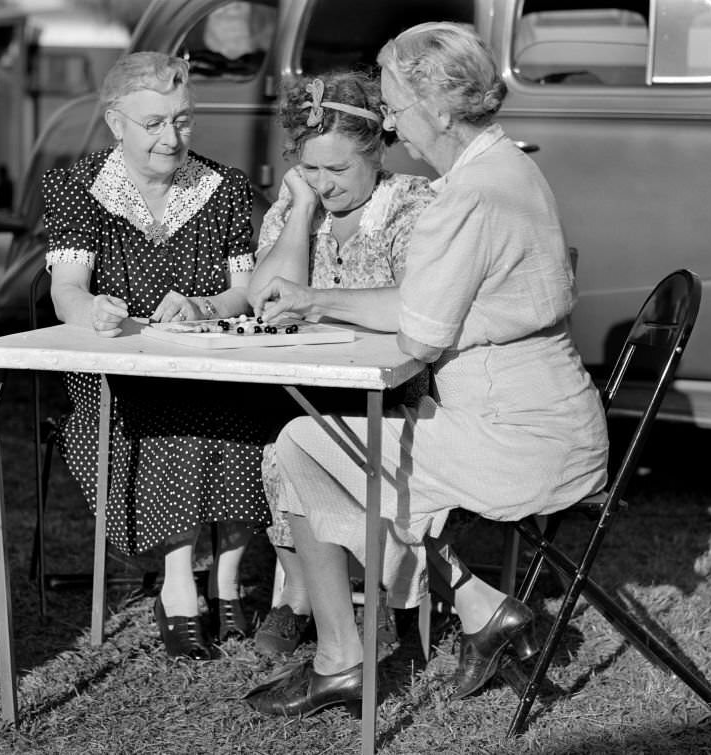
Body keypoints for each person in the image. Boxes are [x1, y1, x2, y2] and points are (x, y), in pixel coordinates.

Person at [244, 22, 609, 716]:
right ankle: (476, 605)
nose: (389, 120)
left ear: (439, 109)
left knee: (304, 443)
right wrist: (319, 296)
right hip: (546, 414)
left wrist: (321, 303)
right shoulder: (506, 165)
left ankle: (341, 657)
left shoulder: (464, 197)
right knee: (346, 441)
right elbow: (425, 308)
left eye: (394, 105)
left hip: (520, 441)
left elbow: (420, 331)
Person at [42, 51, 276, 660]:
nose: (171, 138)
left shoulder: (223, 188)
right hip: (119, 372)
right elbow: (66, 289)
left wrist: (203, 306)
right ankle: (177, 586)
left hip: (211, 364)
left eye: (183, 120)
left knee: (252, 416)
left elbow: (243, 289)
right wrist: (91, 309)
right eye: (154, 124)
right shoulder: (78, 187)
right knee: (174, 421)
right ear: (116, 122)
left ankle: (224, 582)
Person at [247, 71, 433, 656]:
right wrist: (300, 212)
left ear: (376, 155)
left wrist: (318, 304)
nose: (324, 185)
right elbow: (264, 297)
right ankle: (305, 589)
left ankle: (367, 587)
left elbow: (417, 309)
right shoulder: (300, 205)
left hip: (397, 390)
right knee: (268, 433)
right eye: (311, 169)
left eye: (338, 170)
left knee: (326, 437)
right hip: (308, 382)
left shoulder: (412, 205)